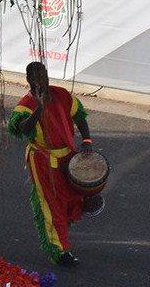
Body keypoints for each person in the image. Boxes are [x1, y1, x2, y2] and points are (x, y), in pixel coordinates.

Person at [7, 62, 92, 266]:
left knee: (73, 200)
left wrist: (87, 140)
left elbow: (80, 116)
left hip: (68, 158)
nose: (41, 81)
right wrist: (40, 108)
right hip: (44, 160)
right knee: (52, 206)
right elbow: (24, 130)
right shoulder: (25, 105)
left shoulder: (62, 94)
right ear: (29, 80)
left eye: (43, 76)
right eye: (35, 78)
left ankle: (61, 238)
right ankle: (59, 250)